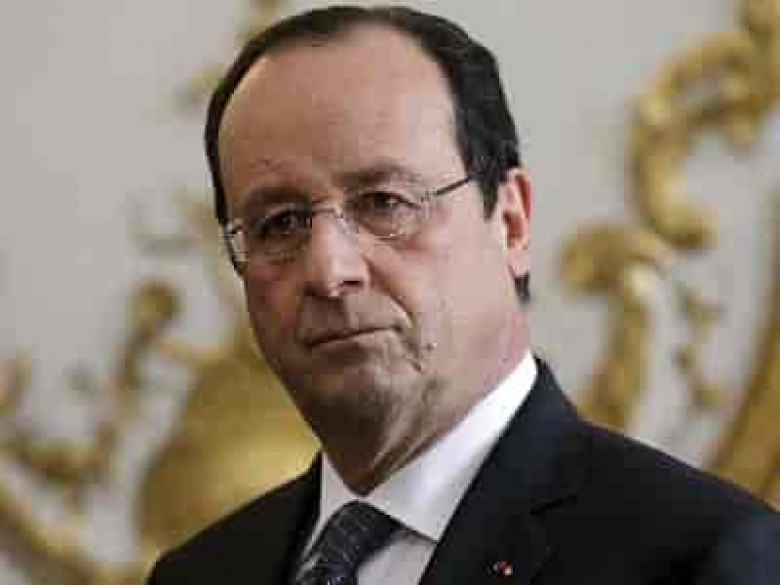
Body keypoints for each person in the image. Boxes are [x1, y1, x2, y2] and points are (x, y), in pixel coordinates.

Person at [148, 5, 780, 584]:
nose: (329, 271)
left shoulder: (705, 559)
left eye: (384, 202)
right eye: (280, 223)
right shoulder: (198, 576)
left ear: (511, 222)